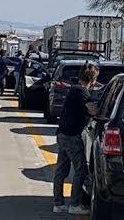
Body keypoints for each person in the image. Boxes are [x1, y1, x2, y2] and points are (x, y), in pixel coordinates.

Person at [52, 63, 99, 215]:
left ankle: (58, 203)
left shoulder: (74, 89)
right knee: (81, 170)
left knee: (61, 170)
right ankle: (75, 204)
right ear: (92, 79)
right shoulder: (83, 92)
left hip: (62, 134)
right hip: (72, 136)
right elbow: (93, 111)